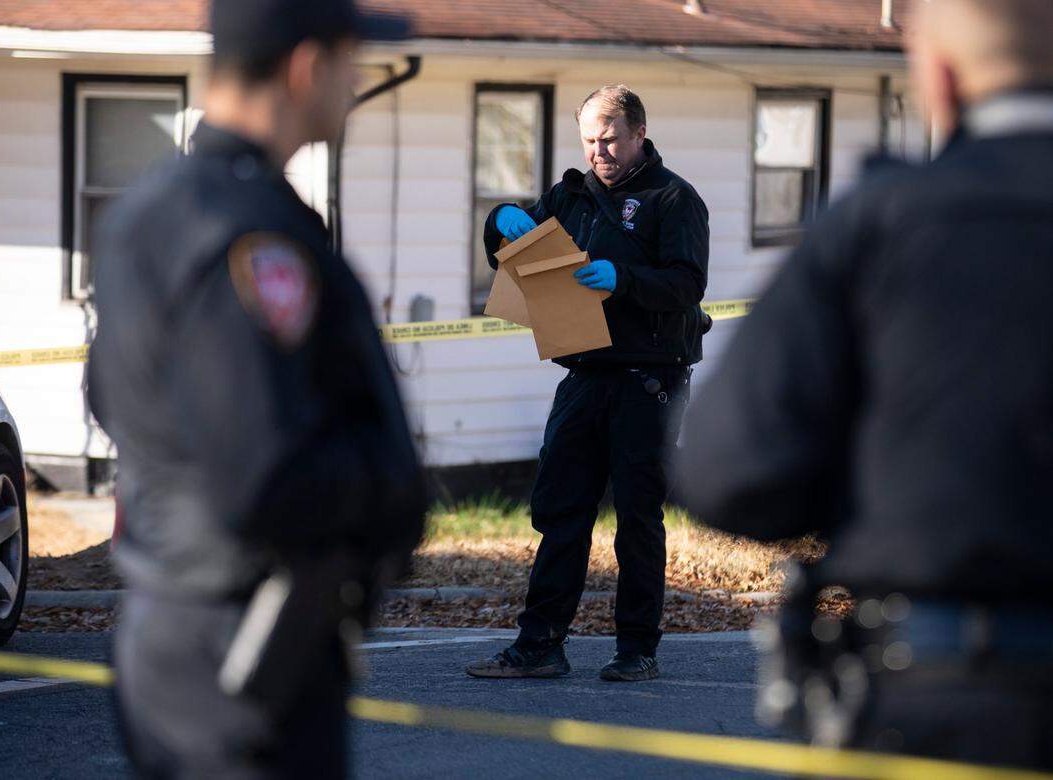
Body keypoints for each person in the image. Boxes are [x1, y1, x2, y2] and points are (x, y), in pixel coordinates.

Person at [678, 0, 1053, 769]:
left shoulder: (885, 222)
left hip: (951, 690)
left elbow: (728, 471)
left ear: (939, 75)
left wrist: (877, 492)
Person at [87, 1, 426, 776]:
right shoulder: (245, 229)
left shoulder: (154, 206)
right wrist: (389, 484)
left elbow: (107, 391)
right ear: (307, 67)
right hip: (241, 634)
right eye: (350, 62)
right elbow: (265, 472)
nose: (356, 82)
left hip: (185, 625)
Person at [466, 86, 711, 682]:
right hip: (583, 373)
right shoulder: (568, 196)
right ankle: (540, 644)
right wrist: (498, 225)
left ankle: (636, 650)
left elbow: (686, 284)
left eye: (610, 139)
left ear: (639, 134)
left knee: (637, 518)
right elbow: (515, 257)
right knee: (561, 512)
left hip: (648, 379)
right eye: (589, 140)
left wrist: (622, 278)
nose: (599, 151)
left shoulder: (673, 198)